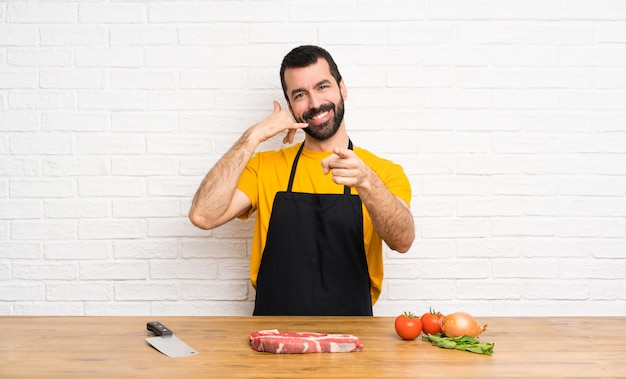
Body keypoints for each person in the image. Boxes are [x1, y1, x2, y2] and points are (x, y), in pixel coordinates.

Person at [189, 45, 415, 316]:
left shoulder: (381, 171)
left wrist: (367, 183)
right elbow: (203, 216)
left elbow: (402, 241)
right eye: (300, 95)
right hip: (273, 334)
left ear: (342, 88)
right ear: (290, 106)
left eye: (322, 87)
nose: (315, 103)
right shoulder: (265, 167)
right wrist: (252, 138)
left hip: (352, 336)